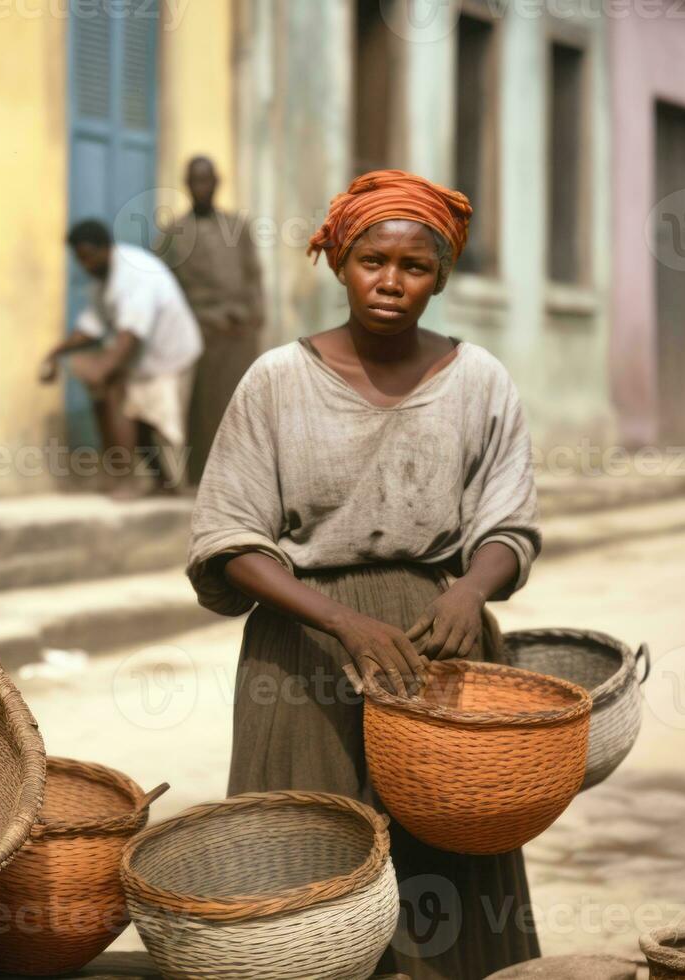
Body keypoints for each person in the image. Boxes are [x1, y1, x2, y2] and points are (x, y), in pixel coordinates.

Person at [186, 169, 543, 978]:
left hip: (438, 643)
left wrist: (468, 589)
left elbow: (508, 521)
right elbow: (228, 535)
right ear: (339, 263)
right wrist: (339, 620)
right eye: (371, 262)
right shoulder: (277, 380)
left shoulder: (478, 379)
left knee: (447, 853)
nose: (390, 283)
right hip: (308, 648)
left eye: (414, 268)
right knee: (307, 864)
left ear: (439, 277)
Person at [39, 220, 203, 498]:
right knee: (120, 400)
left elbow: (130, 335)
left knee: (158, 425)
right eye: (81, 260)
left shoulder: (135, 274)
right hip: (144, 362)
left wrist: (102, 369)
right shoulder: (102, 280)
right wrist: (56, 353)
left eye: (89, 257)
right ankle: (132, 478)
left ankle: (144, 482)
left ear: (105, 249)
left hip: (171, 358)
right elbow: (92, 327)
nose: (86, 265)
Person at [155, 156, 265, 485]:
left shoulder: (237, 227)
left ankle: (244, 479)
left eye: (207, 180)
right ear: (187, 185)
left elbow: (253, 276)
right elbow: (166, 289)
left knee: (242, 404)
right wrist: (202, 316)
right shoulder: (173, 233)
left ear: (217, 182)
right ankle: (202, 479)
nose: (202, 187)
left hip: (239, 332)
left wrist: (253, 317)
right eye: (195, 181)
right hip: (199, 332)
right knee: (203, 409)